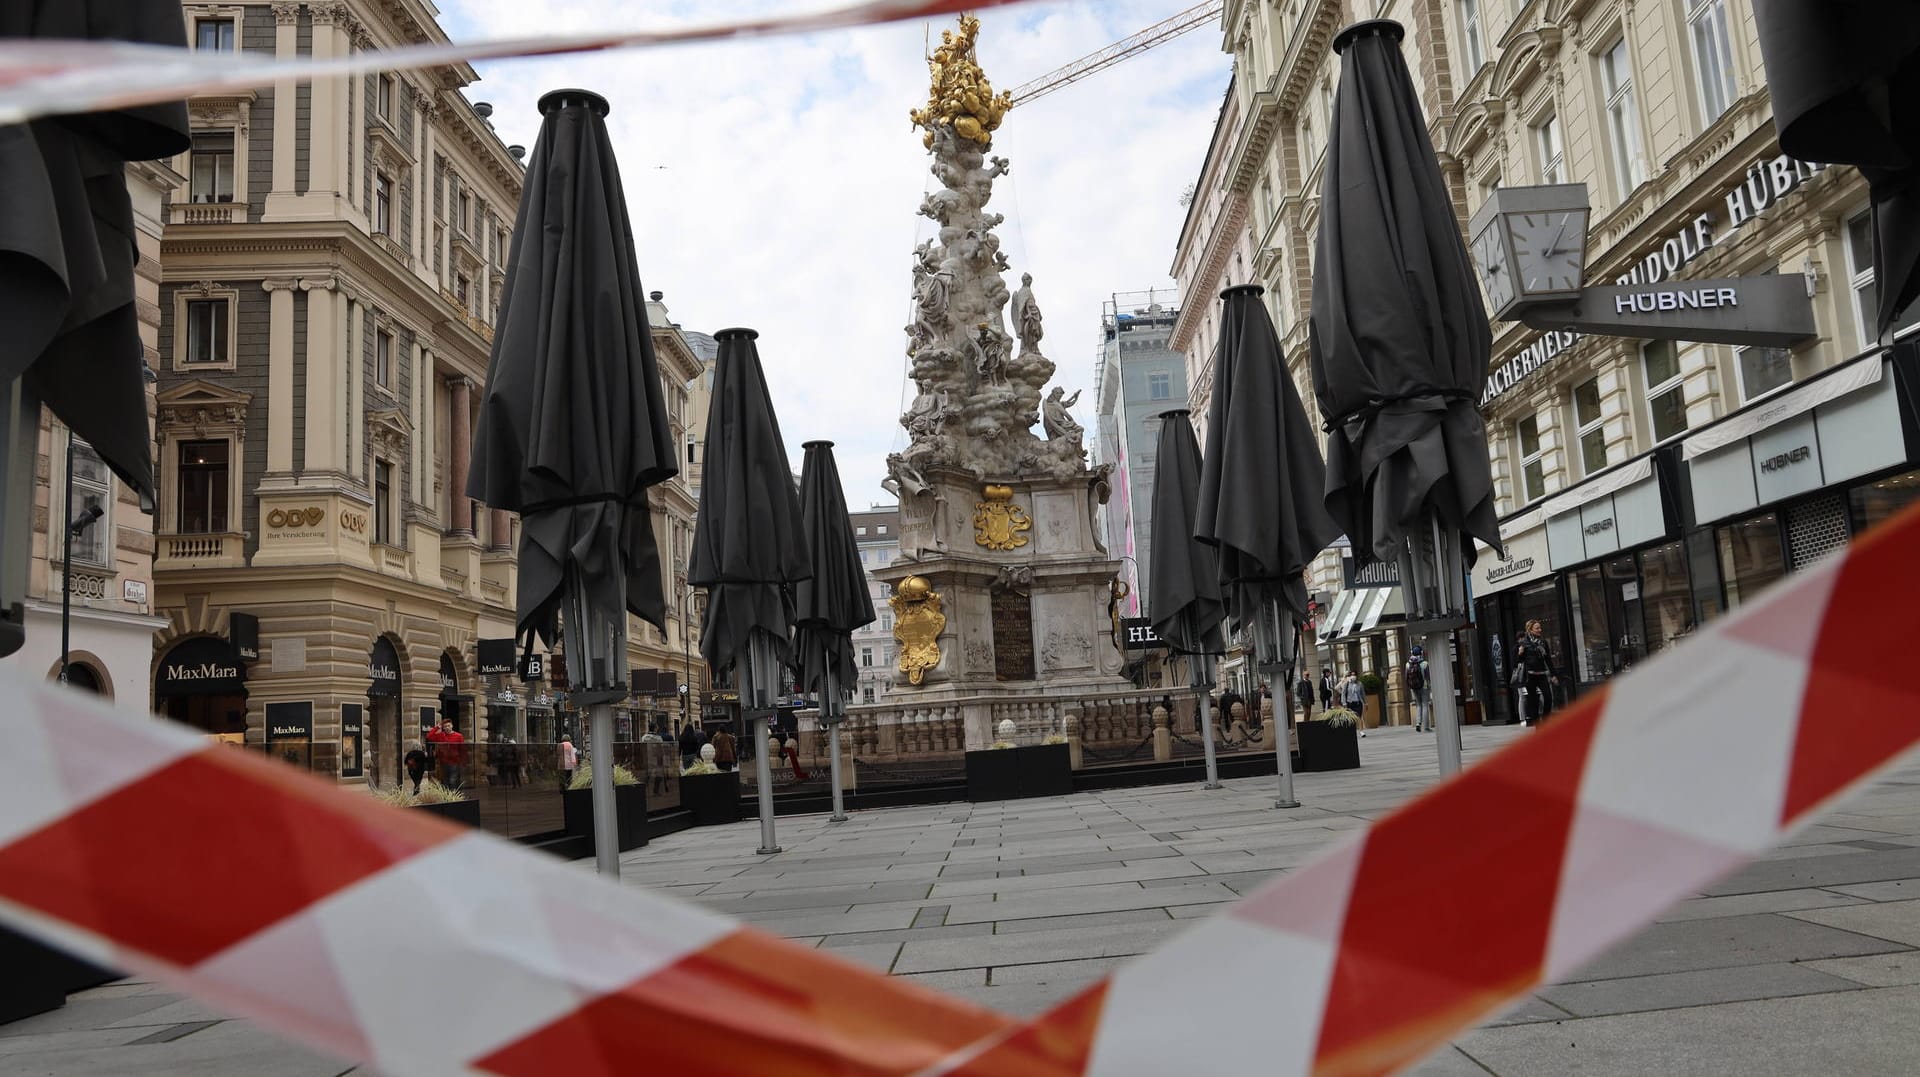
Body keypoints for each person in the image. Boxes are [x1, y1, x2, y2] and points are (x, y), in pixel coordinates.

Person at [1514, 619, 1557, 728]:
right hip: (1530, 676)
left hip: (1542, 674)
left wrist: (1553, 674)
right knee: (1534, 701)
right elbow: (1519, 661)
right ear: (1530, 629)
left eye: (1540, 627)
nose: (1540, 630)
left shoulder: (1543, 642)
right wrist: (1520, 653)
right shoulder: (1524, 642)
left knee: (1548, 697)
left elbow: (1548, 660)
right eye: (1537, 628)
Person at [427, 718, 466, 789]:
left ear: (452, 726)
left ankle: (454, 797)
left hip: (455, 762)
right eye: (445, 726)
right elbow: (429, 736)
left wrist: (462, 762)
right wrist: (437, 727)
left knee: (453, 781)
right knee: (445, 781)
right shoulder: (441, 735)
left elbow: (462, 750)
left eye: (448, 725)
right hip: (443, 762)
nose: (447, 728)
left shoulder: (459, 736)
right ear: (443, 728)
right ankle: (446, 798)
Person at [1407, 646, 1432, 733]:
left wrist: (1410, 686)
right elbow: (1428, 677)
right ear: (1421, 653)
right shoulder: (1425, 664)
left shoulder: (1408, 664)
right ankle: (1426, 727)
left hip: (1414, 687)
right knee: (1425, 705)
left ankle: (1418, 723)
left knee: (1418, 705)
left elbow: (1406, 677)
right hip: (1424, 687)